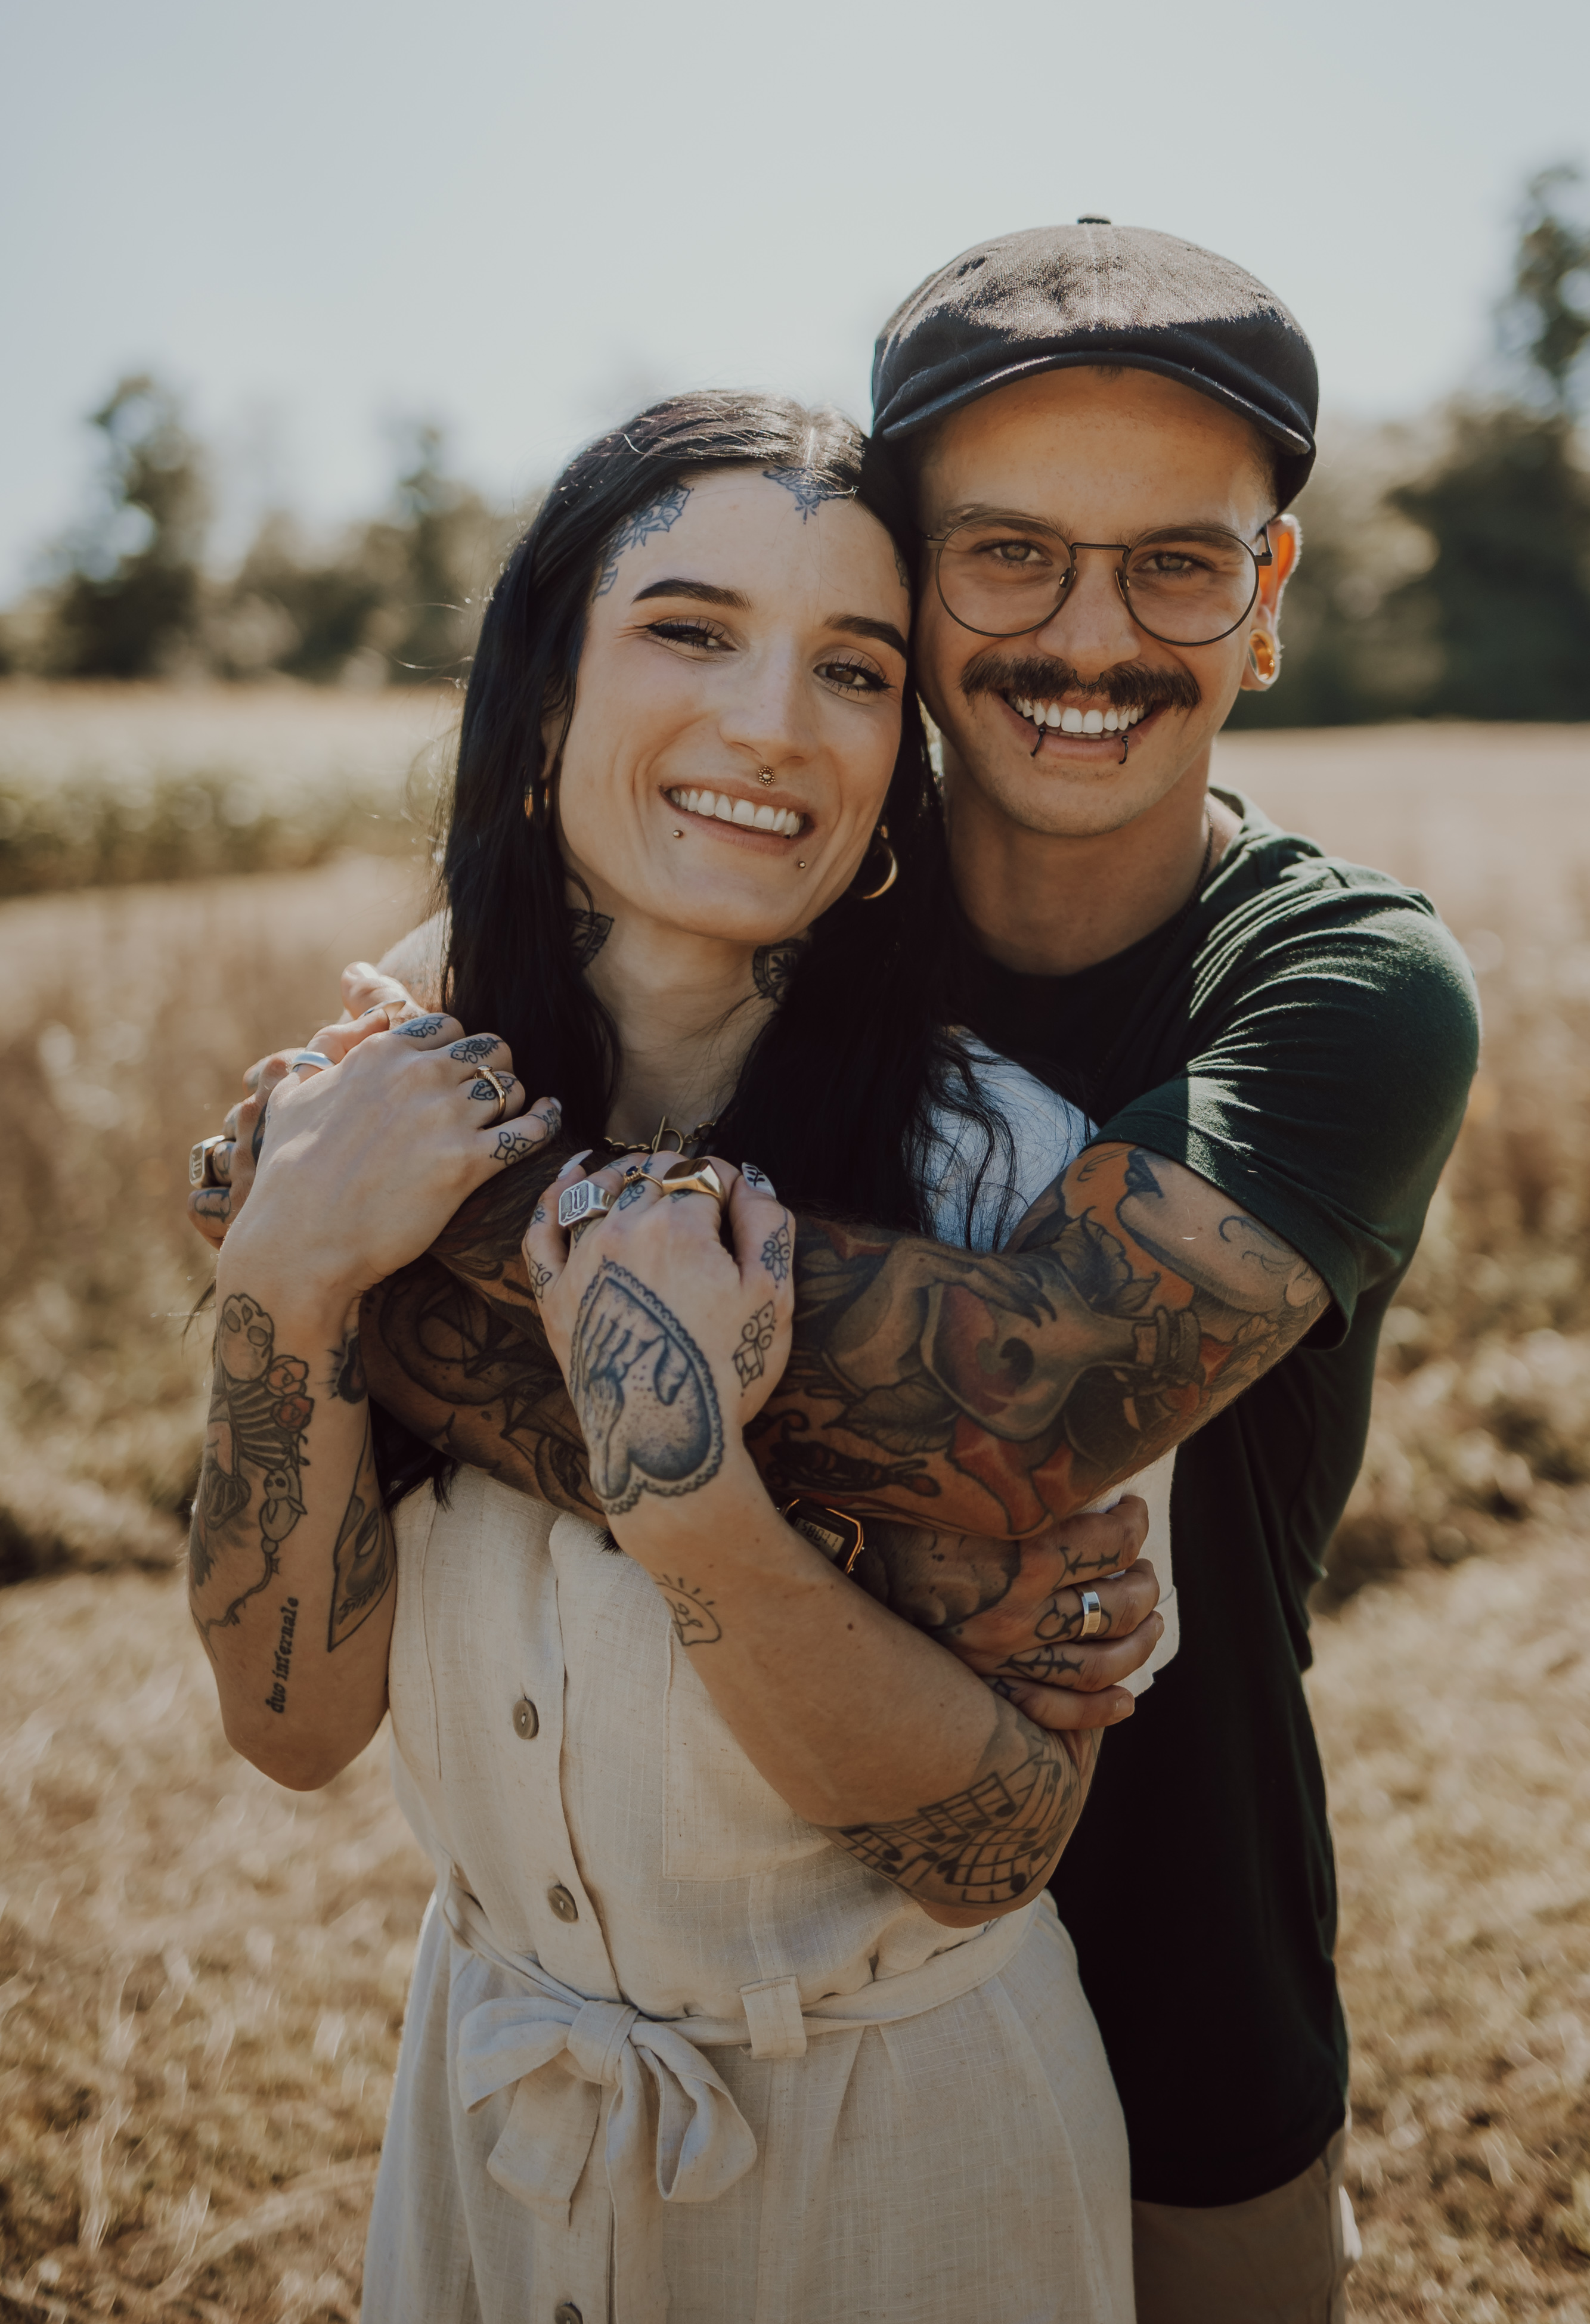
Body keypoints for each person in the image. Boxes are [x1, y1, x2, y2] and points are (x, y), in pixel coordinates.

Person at [196, 226, 1481, 2323]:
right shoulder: (709, 917)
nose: (1090, 635)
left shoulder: (1327, 990)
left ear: (1267, 606)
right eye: (1003, 558)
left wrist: (346, 1258)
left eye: (1178, 562)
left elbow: (994, 1417)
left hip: (1160, 1954)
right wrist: (307, 1250)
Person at [189, 392, 1164, 2323]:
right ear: (545, 686)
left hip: (906, 2154)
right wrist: (287, 1280)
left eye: (854, 670)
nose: (772, 726)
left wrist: (692, 1485)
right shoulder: (361, 1124)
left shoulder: (1009, 1188)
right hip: (490, 2132)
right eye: (690, 629)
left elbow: (985, 1849)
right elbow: (291, 1730)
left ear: (902, 756)